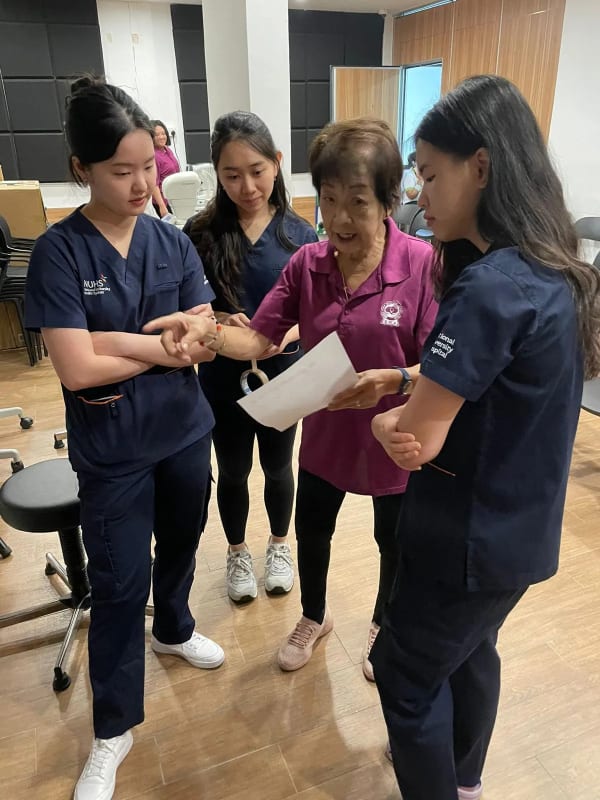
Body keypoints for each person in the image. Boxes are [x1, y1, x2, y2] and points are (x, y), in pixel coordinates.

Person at [367, 75, 600, 800]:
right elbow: (488, 381)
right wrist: (408, 379)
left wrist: (385, 416)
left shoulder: (489, 286)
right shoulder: (549, 268)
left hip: (465, 537)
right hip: (519, 532)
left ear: (482, 165)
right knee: (469, 654)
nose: (420, 194)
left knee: (405, 679)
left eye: (430, 174)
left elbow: (417, 442)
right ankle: (464, 780)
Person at [144, 117, 438, 680]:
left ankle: (383, 621)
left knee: (392, 540)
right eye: (330, 201)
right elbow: (259, 336)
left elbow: (443, 367)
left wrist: (394, 378)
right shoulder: (309, 263)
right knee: (312, 532)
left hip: (395, 435)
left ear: (388, 200)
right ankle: (314, 615)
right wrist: (208, 334)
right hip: (326, 434)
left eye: (357, 201)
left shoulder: (422, 266)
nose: (341, 219)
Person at [24, 77, 224, 800]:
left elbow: (205, 331)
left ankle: (173, 628)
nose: (142, 183)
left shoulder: (171, 240)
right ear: (82, 167)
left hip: (182, 433)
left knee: (181, 544)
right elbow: (78, 369)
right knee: (116, 585)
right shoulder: (60, 254)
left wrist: (161, 339)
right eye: (121, 171)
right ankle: (114, 729)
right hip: (113, 450)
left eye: (148, 167)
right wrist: (156, 345)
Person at [184, 111, 318, 603]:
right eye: (232, 175)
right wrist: (219, 317)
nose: (247, 185)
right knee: (234, 468)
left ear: (278, 164)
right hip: (221, 376)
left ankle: (280, 545)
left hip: (284, 372)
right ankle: (237, 551)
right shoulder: (199, 232)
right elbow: (186, 305)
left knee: (281, 467)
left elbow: (320, 311)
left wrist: (288, 331)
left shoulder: (300, 235)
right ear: (216, 173)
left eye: (257, 171)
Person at [151, 119, 180, 217]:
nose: (161, 137)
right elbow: (154, 184)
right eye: (157, 135)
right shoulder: (153, 156)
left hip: (173, 198)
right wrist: (162, 206)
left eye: (163, 133)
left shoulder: (167, 150)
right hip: (163, 202)